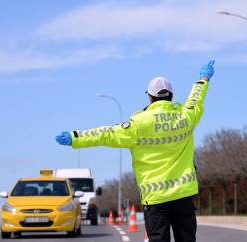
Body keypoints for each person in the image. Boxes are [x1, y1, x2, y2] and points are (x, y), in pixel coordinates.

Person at [55, 60, 215, 242]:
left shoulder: (138, 124)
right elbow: (196, 98)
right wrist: (203, 78)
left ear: (150, 97)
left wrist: (75, 137)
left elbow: (105, 134)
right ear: (171, 96)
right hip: (184, 196)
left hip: (156, 198)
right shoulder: (186, 117)